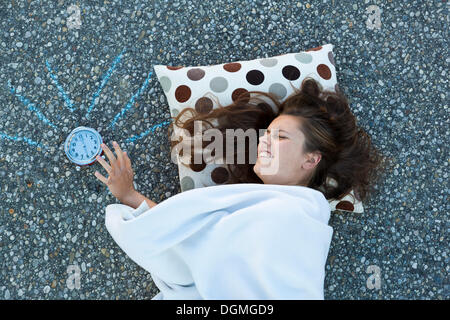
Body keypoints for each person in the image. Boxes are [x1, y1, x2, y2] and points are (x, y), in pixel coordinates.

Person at [94, 77, 388, 299]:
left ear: (311, 159)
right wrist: (129, 195)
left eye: (281, 137)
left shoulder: (299, 217)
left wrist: (130, 197)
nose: (263, 141)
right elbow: (193, 241)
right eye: (266, 134)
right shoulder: (250, 202)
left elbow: (195, 245)